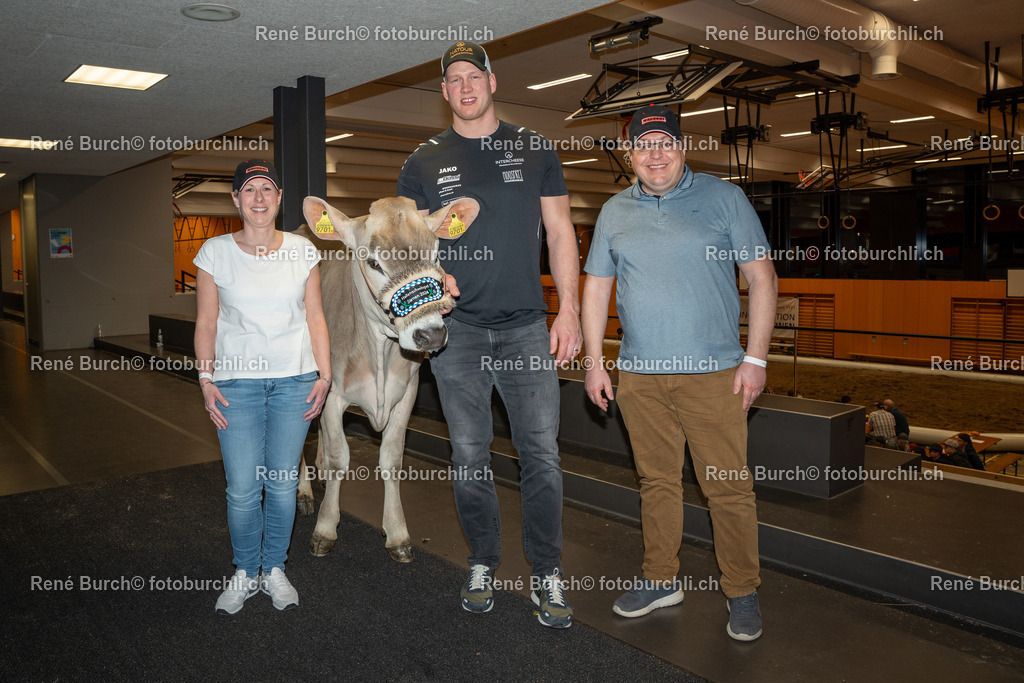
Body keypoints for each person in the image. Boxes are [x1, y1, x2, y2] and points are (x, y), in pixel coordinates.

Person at [396, 41, 583, 628]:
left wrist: (570, 311)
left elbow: (560, 233)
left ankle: (547, 572)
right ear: (445, 93)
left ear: (492, 81)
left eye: (473, 75)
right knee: (470, 456)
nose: (465, 86)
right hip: (460, 334)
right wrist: (435, 277)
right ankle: (483, 561)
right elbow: (409, 244)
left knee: (541, 457)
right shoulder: (422, 162)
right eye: (453, 79)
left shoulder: (535, 148)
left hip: (528, 328)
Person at [581, 104, 778, 642]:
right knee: (657, 482)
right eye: (645, 146)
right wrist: (595, 362)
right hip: (640, 376)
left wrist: (756, 359)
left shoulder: (724, 198)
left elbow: (762, 278)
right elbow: (596, 287)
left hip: (714, 374)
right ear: (630, 154)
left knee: (728, 489)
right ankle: (660, 578)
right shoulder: (615, 211)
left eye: (665, 143)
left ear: (683, 147)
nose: (656, 154)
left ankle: (741, 590)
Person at [194, 159, 331, 615]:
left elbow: (315, 318)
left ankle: (273, 569)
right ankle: (244, 570)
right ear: (236, 199)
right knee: (242, 488)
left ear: (277, 199)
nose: (258, 198)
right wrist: (205, 378)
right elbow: (207, 321)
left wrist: (325, 376)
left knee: (282, 483)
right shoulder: (214, 253)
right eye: (249, 189)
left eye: (266, 189)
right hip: (236, 384)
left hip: (295, 382)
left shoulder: (302, 250)